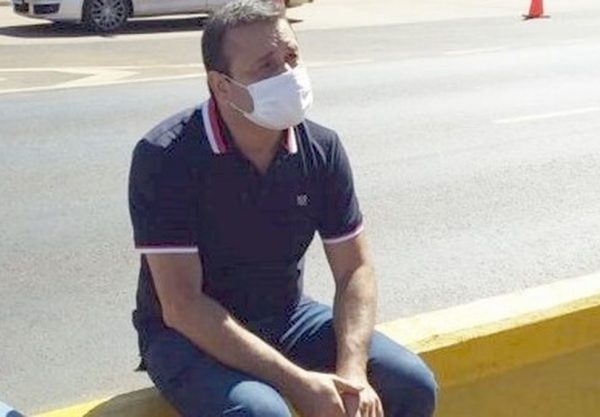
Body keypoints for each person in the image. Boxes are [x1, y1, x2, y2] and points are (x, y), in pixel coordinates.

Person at [128, 1, 438, 416]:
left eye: (292, 56)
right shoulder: (167, 156)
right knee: (261, 413)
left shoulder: (321, 148)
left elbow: (355, 268)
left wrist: (352, 372)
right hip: (185, 337)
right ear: (222, 86)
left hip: (287, 317)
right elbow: (182, 305)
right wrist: (298, 383)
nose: (288, 74)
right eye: (266, 66)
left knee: (410, 383)